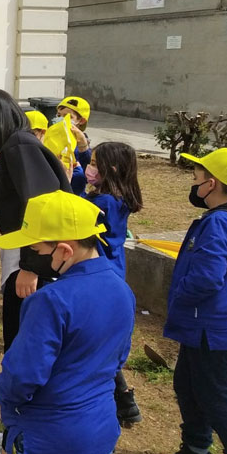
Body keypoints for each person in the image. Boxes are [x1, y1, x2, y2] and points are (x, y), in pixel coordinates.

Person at [0, 190, 135, 454]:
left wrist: (12, 413)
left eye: (37, 250)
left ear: (65, 250)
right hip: (99, 431)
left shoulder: (50, 300)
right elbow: (119, 358)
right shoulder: (121, 289)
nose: (33, 257)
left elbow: (22, 376)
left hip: (48, 441)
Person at [0, 88, 70, 352]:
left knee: (23, 338)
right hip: (32, 253)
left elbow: (43, 207)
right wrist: (1, 219)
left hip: (35, 258)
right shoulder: (17, 144)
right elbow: (24, 197)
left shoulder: (20, 146)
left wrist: (30, 267)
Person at [155, 148, 227, 454]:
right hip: (204, 326)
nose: (193, 183)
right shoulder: (218, 220)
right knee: (187, 386)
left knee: (216, 396)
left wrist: (180, 293)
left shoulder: (218, 223)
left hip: (211, 328)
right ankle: (197, 452)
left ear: (211, 184)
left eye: (196, 178)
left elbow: (207, 277)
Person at [83, 141, 144, 427]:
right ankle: (125, 400)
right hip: (114, 271)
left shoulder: (103, 203)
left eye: (95, 163)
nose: (89, 168)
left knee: (98, 345)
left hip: (99, 273)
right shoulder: (120, 198)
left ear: (112, 168)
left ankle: (120, 401)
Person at [56, 96, 92, 195]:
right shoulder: (53, 136)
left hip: (75, 191)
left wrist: (83, 146)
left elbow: (88, 168)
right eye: (59, 115)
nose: (62, 119)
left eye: (68, 117)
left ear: (81, 121)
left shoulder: (81, 142)